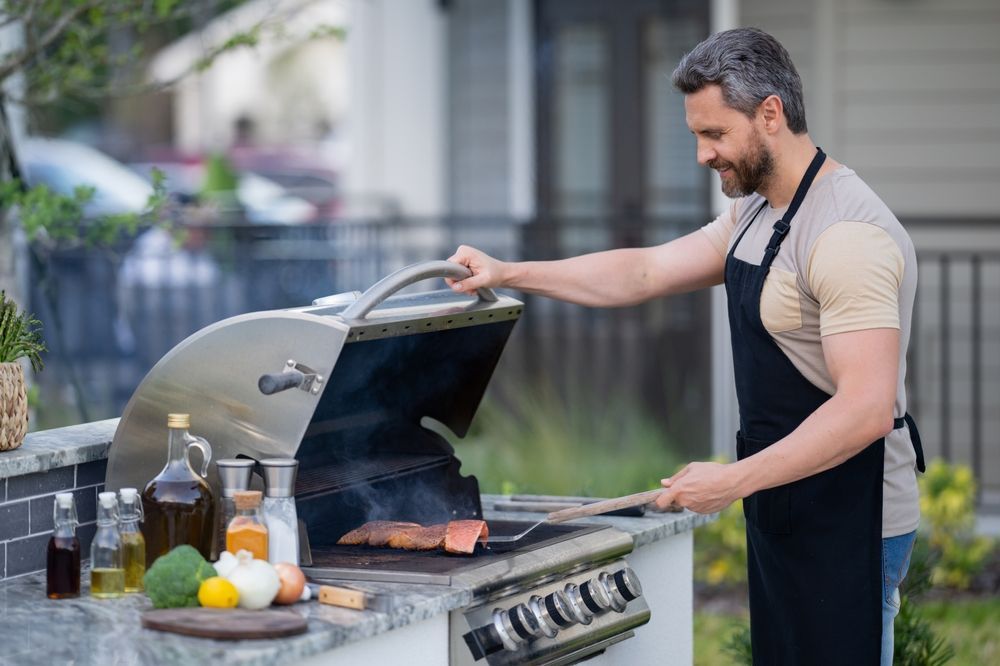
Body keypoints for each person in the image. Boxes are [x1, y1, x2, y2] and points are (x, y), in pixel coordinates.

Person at [446, 27, 924, 666]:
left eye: (715, 134)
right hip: (787, 500)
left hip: (852, 517)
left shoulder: (845, 235)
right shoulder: (756, 212)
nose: (702, 154)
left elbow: (864, 409)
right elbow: (643, 273)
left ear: (771, 115)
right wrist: (510, 273)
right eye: (697, 135)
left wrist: (733, 481)